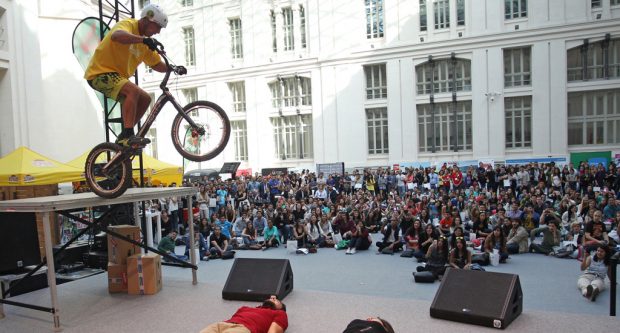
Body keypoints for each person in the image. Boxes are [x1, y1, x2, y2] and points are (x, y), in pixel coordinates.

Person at [84, 4, 181, 147]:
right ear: (148, 20)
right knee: (133, 91)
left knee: (145, 99)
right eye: (158, 27)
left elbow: (156, 64)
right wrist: (143, 40)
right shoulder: (128, 25)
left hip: (117, 77)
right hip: (99, 73)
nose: (158, 32)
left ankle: (125, 135)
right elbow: (117, 36)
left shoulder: (146, 43)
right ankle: (129, 135)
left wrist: (173, 68)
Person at [200, 295, 288, 333]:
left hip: (244, 328)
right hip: (222, 324)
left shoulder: (280, 313)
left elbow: (273, 331)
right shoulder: (245, 308)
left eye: (277, 301)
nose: (273, 299)